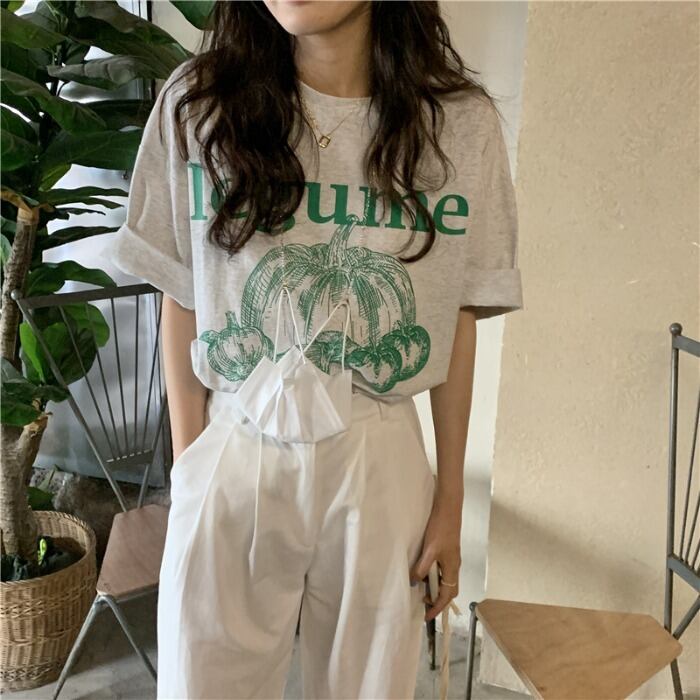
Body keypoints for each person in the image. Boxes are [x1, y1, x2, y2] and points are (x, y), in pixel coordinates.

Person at [102, 2, 523, 698]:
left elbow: (459, 316)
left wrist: (449, 499)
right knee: (205, 682)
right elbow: (181, 294)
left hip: (377, 448)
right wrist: (191, 468)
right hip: (235, 432)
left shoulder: (457, 123)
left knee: (371, 686)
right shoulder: (199, 104)